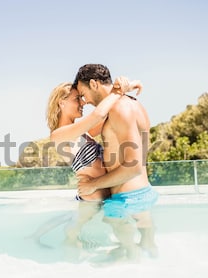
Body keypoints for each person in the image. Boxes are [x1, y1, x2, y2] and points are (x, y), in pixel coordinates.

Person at [28, 77, 142, 250]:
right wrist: (118, 91)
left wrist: (127, 87)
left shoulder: (83, 132)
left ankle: (37, 236)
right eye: (77, 99)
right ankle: (62, 245)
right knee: (74, 229)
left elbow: (109, 111)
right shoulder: (58, 135)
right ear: (61, 103)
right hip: (92, 197)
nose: (82, 103)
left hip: (99, 193)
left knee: (78, 220)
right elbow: (99, 114)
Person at [73, 64, 159, 260]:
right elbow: (88, 131)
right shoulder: (132, 104)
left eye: (83, 93)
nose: (84, 101)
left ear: (94, 84)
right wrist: (123, 89)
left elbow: (134, 166)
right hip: (142, 193)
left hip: (127, 200)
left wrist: (92, 185)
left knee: (131, 257)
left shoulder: (120, 109)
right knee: (149, 249)